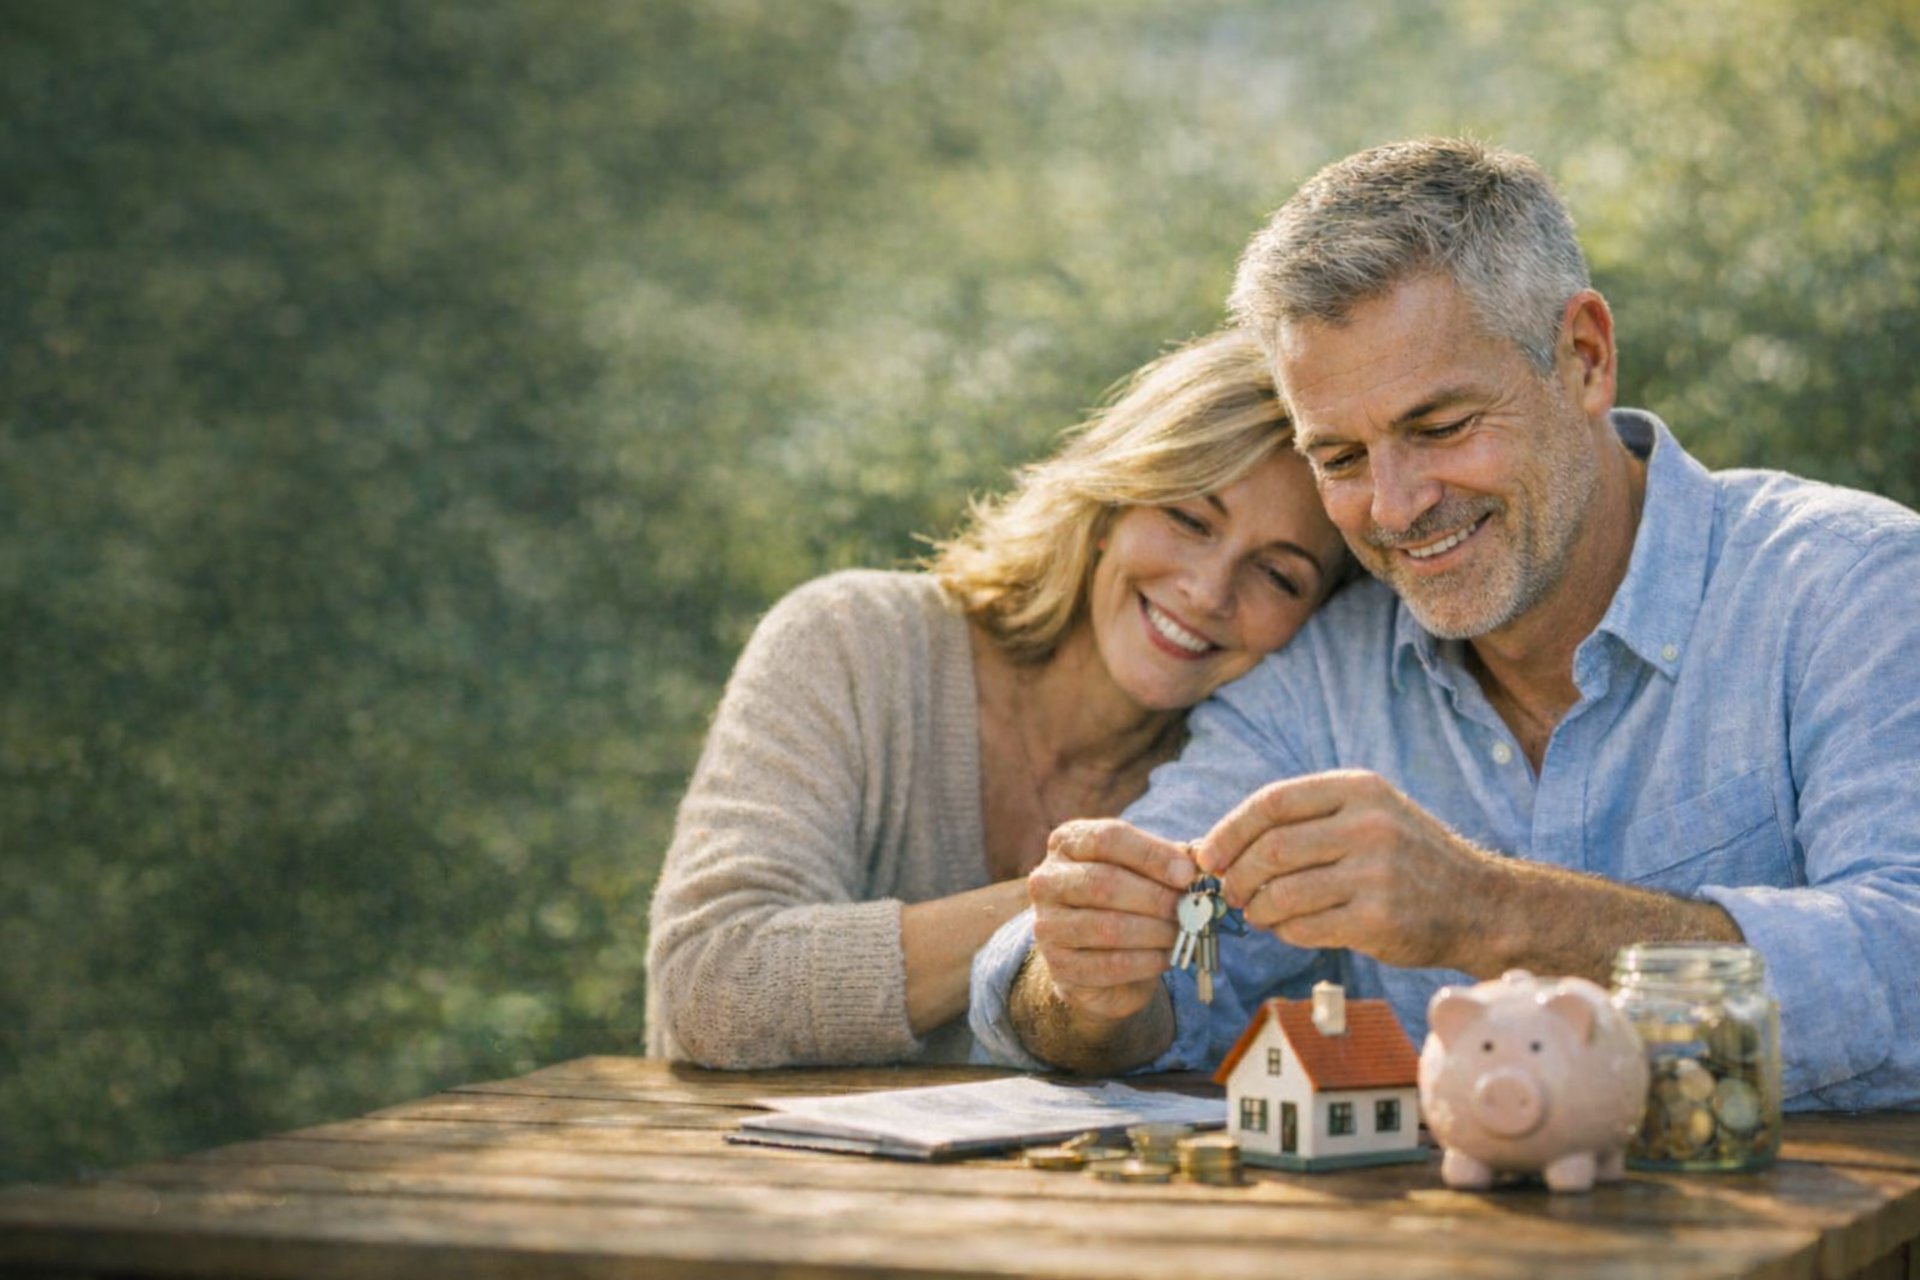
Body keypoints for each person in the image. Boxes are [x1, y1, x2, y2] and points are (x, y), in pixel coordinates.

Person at [969, 137, 1920, 1110]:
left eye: (1442, 427)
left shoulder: (1853, 588)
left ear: (1584, 358)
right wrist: (1089, 981)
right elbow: (1088, 994)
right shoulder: (1316, 685)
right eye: (1339, 456)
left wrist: (1490, 911)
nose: (1395, 503)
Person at [645, 328, 1352, 1067]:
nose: (1208, 592)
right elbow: (714, 985)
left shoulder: (1253, 784)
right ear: (1112, 503)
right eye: (1188, 519)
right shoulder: (851, 644)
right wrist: (1078, 907)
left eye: (1279, 576)